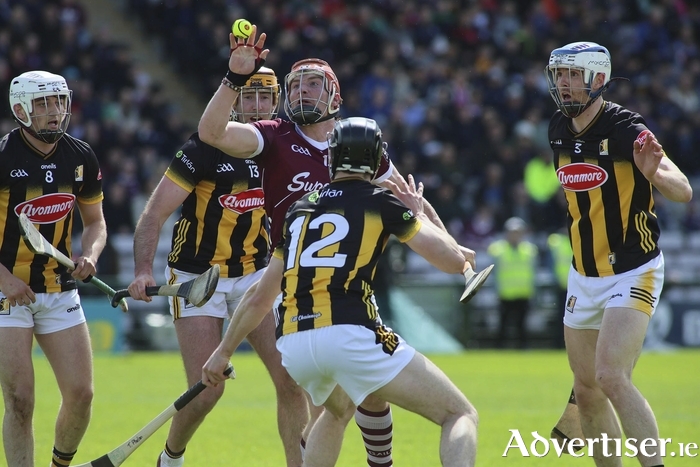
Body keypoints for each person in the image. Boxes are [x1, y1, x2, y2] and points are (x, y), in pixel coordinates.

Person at [197, 25, 476, 466]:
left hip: (306, 298)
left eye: (313, 83)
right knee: (451, 410)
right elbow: (211, 132)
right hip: (322, 297)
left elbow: (409, 200)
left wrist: (224, 348)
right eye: (297, 84)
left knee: (342, 404)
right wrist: (234, 78)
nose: (303, 92)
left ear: (335, 97)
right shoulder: (275, 135)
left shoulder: (329, 177)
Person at [127, 67, 309, 467]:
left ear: (276, 100)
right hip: (196, 277)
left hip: (256, 274)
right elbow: (155, 213)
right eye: (248, 97)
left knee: (292, 380)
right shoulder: (204, 148)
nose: (256, 106)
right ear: (235, 101)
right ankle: (171, 457)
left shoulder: (282, 147)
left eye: (265, 98)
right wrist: (143, 270)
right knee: (207, 391)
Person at [545, 41, 693, 466]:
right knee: (586, 388)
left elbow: (681, 191)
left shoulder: (627, 127)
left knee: (611, 376)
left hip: (633, 268)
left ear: (597, 79)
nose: (564, 84)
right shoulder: (557, 127)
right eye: (559, 75)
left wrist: (655, 175)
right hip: (583, 275)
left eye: (572, 75)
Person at [0, 71, 108, 467]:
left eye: (59, 102)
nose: (55, 112)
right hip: (6, 293)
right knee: (20, 398)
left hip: (59, 288)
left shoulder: (80, 156)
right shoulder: (2, 157)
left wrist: (91, 254)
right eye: (44, 104)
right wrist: (5, 279)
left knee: (82, 395)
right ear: (20, 110)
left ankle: (59, 464)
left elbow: (95, 223)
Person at [486, 217, 538, 349]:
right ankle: (500, 348)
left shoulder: (530, 250)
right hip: (505, 293)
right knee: (503, 325)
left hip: (523, 292)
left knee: (523, 325)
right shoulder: (498, 250)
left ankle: (523, 348)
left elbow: (533, 273)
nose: (515, 235)